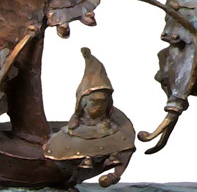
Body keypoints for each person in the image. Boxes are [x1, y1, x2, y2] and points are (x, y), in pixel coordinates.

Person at [45, 47, 136, 185]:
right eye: (95, 102)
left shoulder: (118, 132)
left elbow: (126, 148)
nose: (99, 107)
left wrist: (114, 176)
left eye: (103, 102)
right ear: (82, 103)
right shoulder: (63, 138)